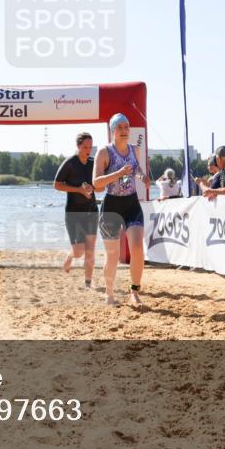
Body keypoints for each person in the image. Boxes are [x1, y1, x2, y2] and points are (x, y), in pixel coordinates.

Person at [93, 113, 150, 306]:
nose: (125, 131)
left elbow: (138, 171)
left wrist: (143, 177)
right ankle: (109, 294)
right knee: (113, 255)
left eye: (127, 127)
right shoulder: (104, 152)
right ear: (112, 131)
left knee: (137, 248)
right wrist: (118, 173)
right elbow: (96, 184)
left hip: (131, 204)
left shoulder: (135, 150)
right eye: (120, 128)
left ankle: (134, 292)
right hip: (111, 206)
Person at [53, 132, 98, 288]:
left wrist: (94, 187)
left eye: (90, 147)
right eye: (85, 147)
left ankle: (88, 283)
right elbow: (57, 184)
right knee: (79, 251)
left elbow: (100, 185)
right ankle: (70, 256)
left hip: (92, 210)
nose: (88, 150)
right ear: (78, 146)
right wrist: (78, 190)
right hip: (73, 213)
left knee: (90, 250)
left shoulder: (94, 164)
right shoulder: (70, 163)